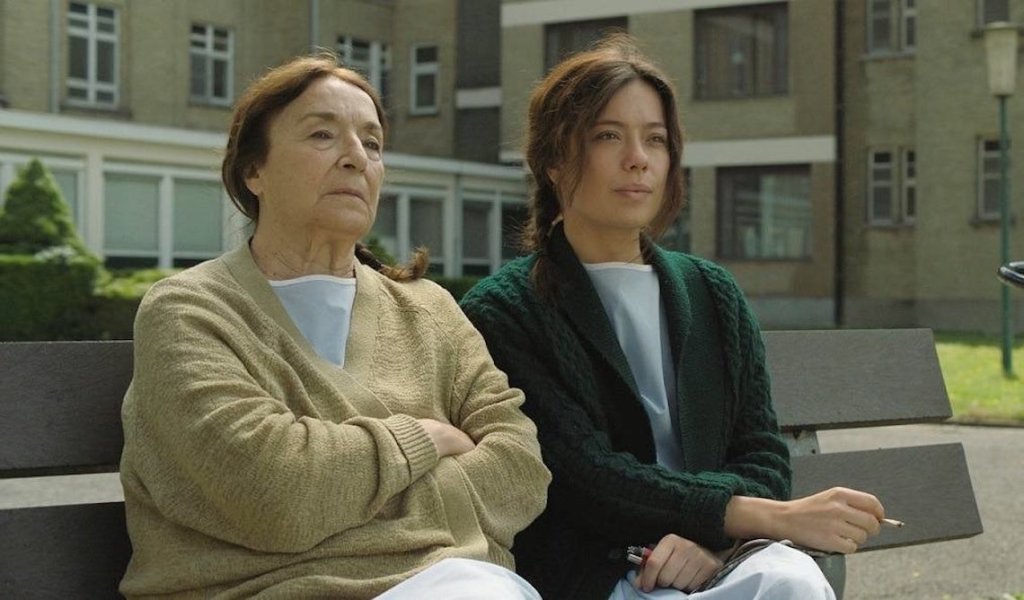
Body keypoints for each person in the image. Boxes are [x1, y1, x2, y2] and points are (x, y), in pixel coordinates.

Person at [459, 35, 887, 600]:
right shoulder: (505, 311)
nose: (638, 158)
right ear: (554, 160)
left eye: (655, 139)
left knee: (792, 581)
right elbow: (580, 475)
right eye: (608, 135)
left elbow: (761, 452)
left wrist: (712, 542)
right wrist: (758, 517)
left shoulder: (712, 292)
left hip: (719, 557)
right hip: (600, 573)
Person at [118, 54, 550, 599]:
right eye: (322, 135)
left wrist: (341, 495)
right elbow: (274, 494)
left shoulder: (430, 310)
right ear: (253, 171)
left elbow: (521, 472)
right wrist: (427, 439)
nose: (355, 157)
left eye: (372, 143)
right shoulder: (190, 311)